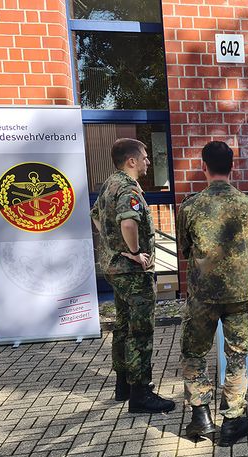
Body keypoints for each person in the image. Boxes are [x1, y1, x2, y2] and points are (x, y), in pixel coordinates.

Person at [177, 141, 248, 446]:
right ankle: (232, 421)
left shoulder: (190, 206)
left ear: (203, 167)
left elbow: (185, 248)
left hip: (202, 294)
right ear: (233, 167)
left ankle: (200, 417)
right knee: (236, 356)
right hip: (238, 293)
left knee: (195, 352)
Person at [90, 138, 175, 413]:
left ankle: (123, 385)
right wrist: (135, 251)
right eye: (145, 157)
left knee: (123, 326)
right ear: (132, 161)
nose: (148, 162)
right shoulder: (127, 188)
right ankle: (141, 393)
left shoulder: (109, 184)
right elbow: (128, 222)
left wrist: (113, 245)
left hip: (115, 268)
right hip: (132, 271)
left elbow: (96, 215)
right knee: (140, 330)